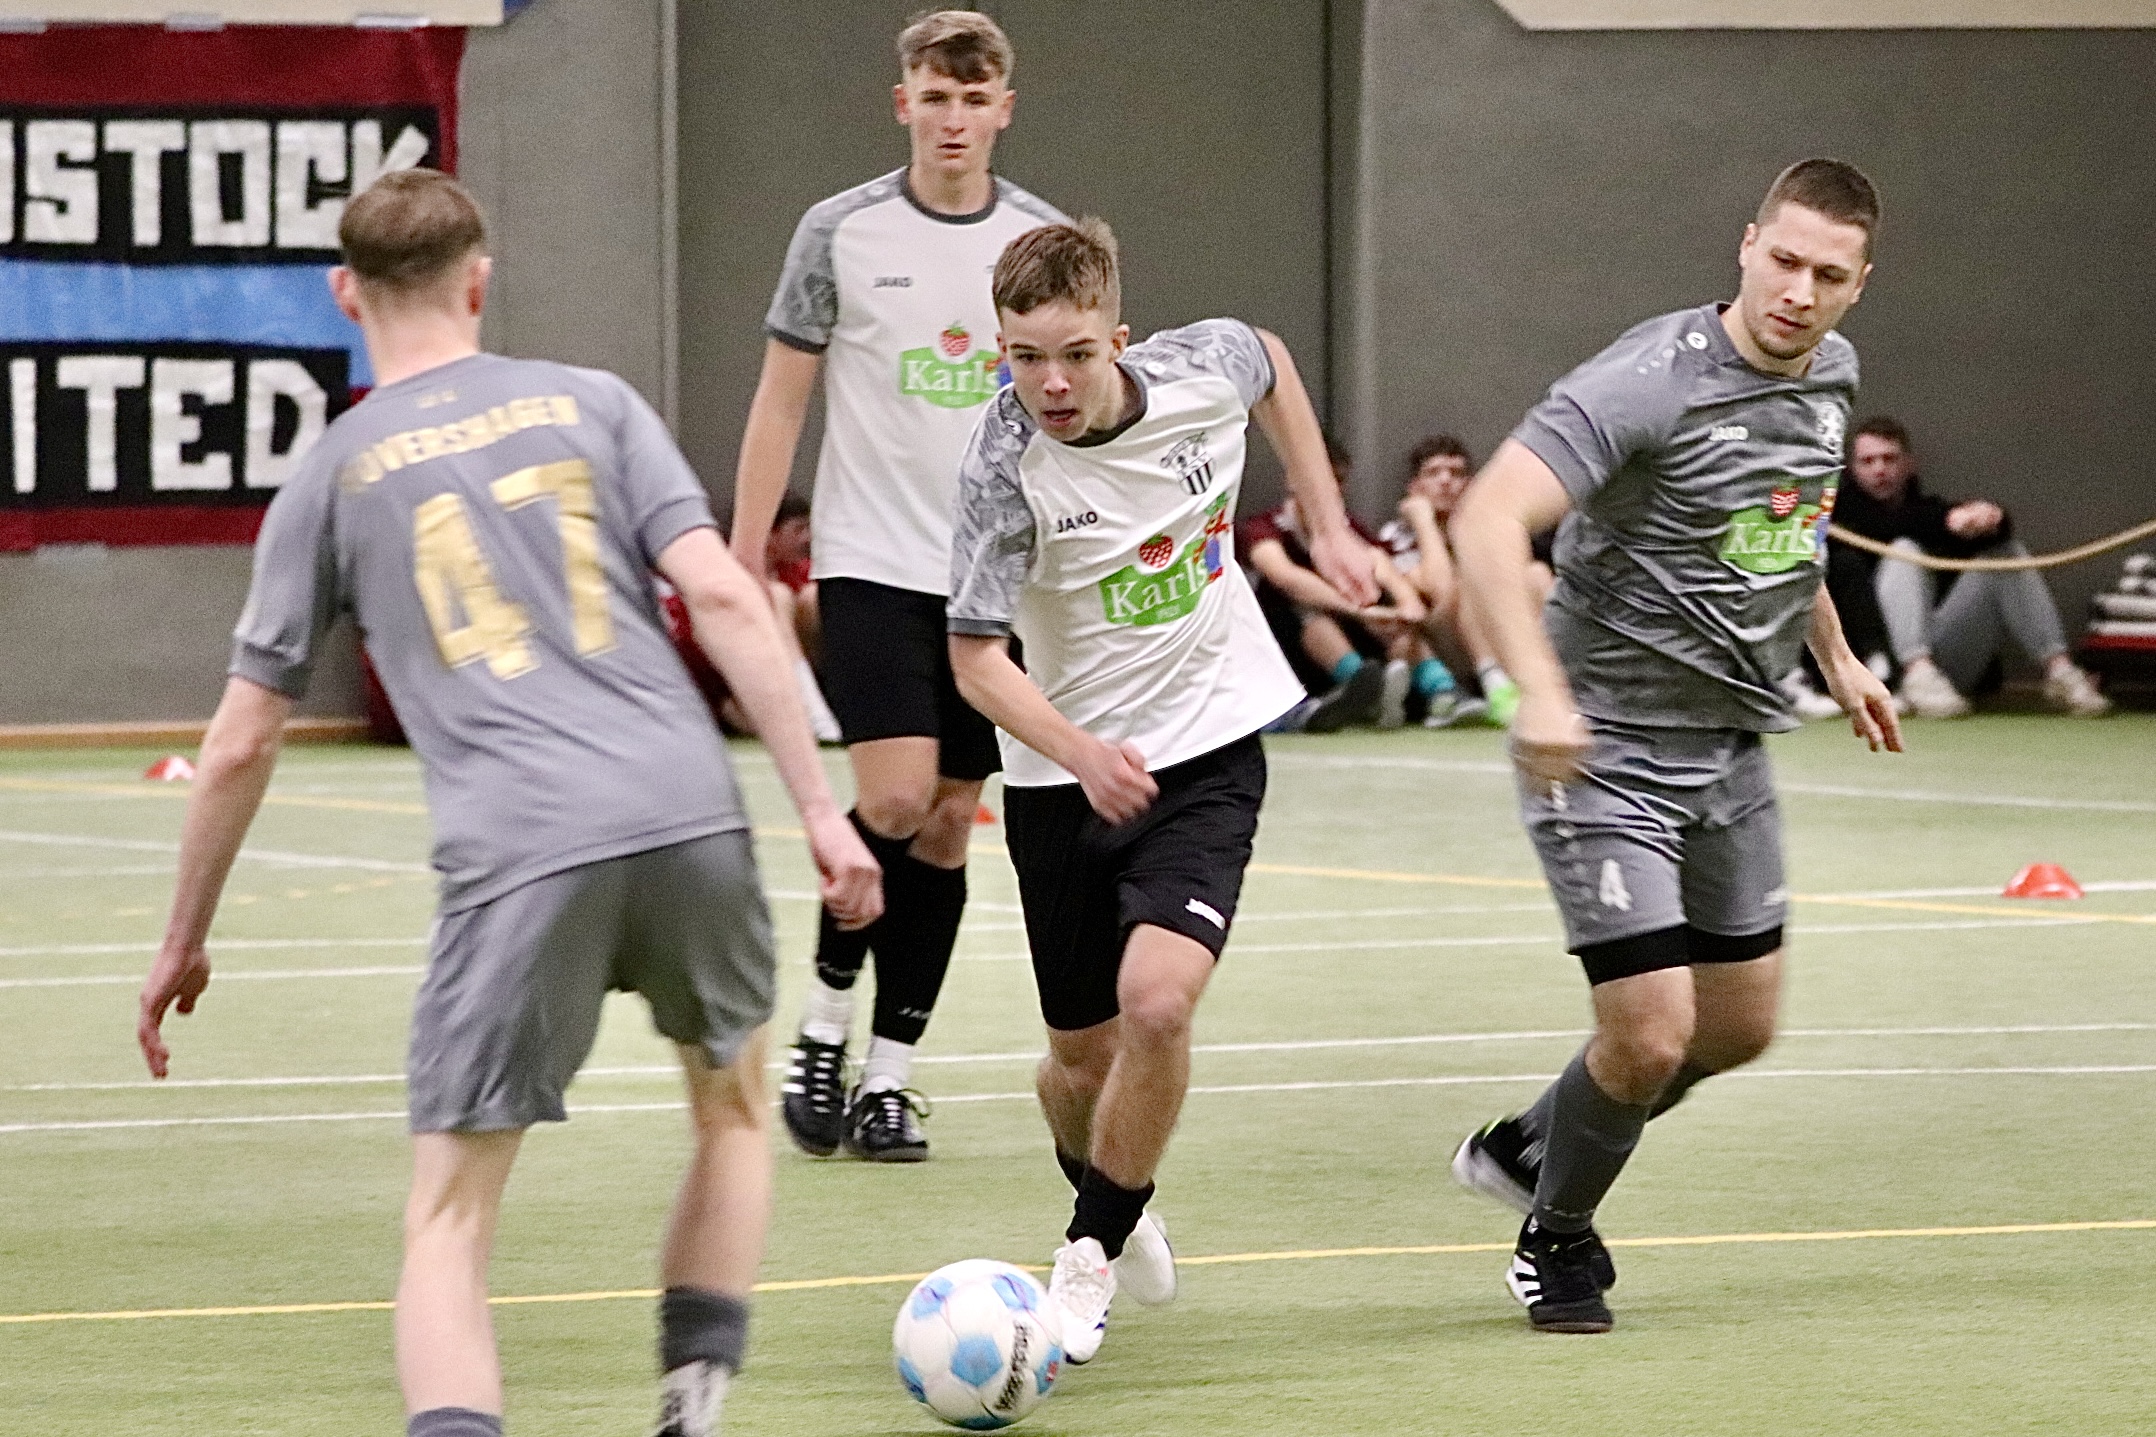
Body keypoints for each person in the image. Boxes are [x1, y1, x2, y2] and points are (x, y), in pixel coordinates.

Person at [132, 170, 882, 1437]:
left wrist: (182, 937)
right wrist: (819, 808)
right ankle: (691, 1405)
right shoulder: (595, 402)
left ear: (344, 295)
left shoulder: (332, 473)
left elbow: (243, 738)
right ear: (479, 281)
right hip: (687, 812)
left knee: (447, 1217)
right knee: (733, 1112)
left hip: (523, 848)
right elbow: (724, 595)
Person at [1447, 159, 1902, 1334]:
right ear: (1746, 244)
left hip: (1731, 746)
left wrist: (1837, 656)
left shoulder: (1830, 374)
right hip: (1601, 747)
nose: (1796, 292)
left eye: (1826, 275)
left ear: (1858, 283)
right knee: (1649, 1034)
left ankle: (1533, 1143)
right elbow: (1486, 518)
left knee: (1736, 1031)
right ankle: (1555, 1234)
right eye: (1782, 260)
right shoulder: (1645, 380)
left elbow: (1785, 524)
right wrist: (1535, 693)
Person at [946, 220, 1378, 1362]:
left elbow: (1269, 358)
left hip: (1207, 744)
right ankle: (1117, 1191)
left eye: (1076, 354)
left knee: (1158, 1005)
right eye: (1024, 357)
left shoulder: (1199, 372)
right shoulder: (1002, 469)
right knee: (1075, 1065)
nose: (1050, 382)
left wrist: (1327, 523)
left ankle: (1085, 1254)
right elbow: (976, 660)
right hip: (1063, 778)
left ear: (1120, 340)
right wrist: (1082, 750)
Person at [728, 11, 1068, 1162]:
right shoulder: (840, 231)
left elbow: (1071, 406)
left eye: (973, 100)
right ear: (902, 103)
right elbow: (780, 400)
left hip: (992, 580)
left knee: (948, 827)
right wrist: (741, 558)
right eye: (934, 96)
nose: (953, 118)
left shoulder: (1038, 241)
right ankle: (823, 1025)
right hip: (869, 561)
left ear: (1003, 109)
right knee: (890, 802)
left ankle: (888, 1077)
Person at [1827, 415, 2109, 718]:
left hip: (1945, 669)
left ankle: (2060, 671)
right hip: (1875, 671)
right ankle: (1916, 675)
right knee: (1904, 549)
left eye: (1889, 458)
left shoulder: (1928, 511)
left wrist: (1990, 518)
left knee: (2005, 554)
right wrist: (1949, 521)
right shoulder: (1836, 519)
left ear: (1909, 464)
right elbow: (1889, 525)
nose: (1880, 469)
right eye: (1868, 461)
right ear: (1852, 469)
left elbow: (1967, 529)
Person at [1238, 435, 1443, 730]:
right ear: (1292, 479)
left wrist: (1406, 602)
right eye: (1321, 479)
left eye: (1338, 480)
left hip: (1353, 638)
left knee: (1392, 617)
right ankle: (1365, 690)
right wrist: (1360, 611)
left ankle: (1442, 692)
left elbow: (1377, 562)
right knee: (1308, 610)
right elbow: (1286, 577)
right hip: (1288, 651)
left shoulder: (1349, 527)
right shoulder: (1262, 527)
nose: (1331, 489)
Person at [1378, 433, 1539, 726]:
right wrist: (1424, 521)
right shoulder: (1396, 535)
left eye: (1456, 473)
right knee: (1465, 586)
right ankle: (1495, 687)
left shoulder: (1484, 527)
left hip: (1501, 636)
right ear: (1414, 487)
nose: (1446, 481)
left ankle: (1553, 684)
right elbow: (1439, 588)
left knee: (1536, 576)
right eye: (1433, 473)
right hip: (1443, 645)